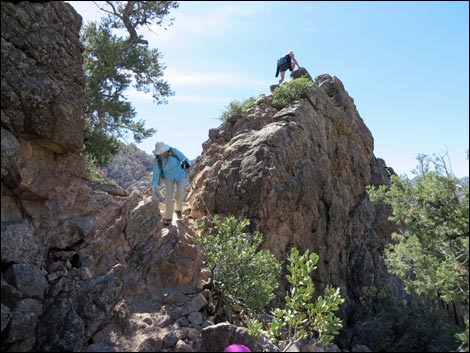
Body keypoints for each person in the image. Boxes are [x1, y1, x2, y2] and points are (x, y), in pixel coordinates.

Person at [146, 141, 192, 226]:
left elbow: (184, 158)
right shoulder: (157, 160)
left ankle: (178, 209)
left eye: (163, 152)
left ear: (166, 149)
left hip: (180, 174)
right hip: (168, 177)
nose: (162, 154)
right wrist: (152, 187)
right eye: (160, 153)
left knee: (181, 191)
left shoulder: (174, 151)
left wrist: (188, 165)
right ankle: (168, 217)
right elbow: (156, 175)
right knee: (169, 196)